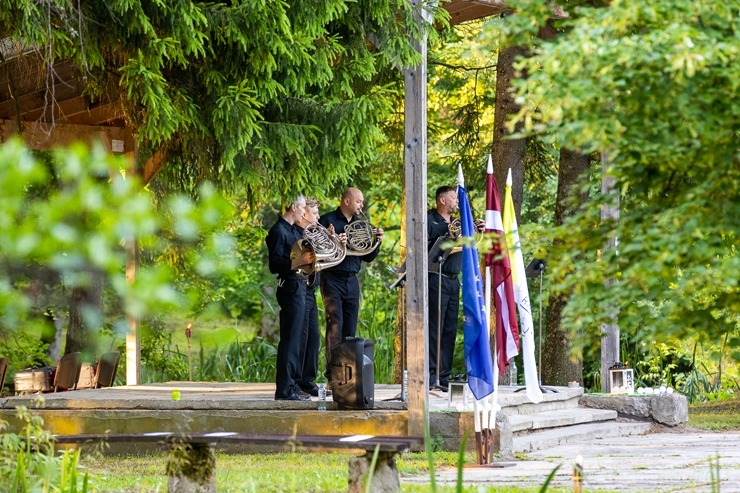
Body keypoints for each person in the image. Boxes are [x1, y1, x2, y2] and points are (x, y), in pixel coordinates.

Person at [319, 187, 384, 384]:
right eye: (358, 202)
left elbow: (368, 256)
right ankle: (333, 376)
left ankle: (348, 376)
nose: (361, 206)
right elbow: (319, 250)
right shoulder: (327, 219)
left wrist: (377, 241)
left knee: (350, 329)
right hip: (332, 278)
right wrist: (336, 241)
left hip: (351, 280)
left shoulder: (359, 224)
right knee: (335, 327)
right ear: (347, 201)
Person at [427, 185, 483, 391]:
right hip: (436, 278)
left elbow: (465, 245)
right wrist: (450, 236)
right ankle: (431, 374)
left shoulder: (460, 223)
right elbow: (429, 249)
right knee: (436, 327)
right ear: (442, 200)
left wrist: (475, 230)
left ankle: (444, 375)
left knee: (450, 328)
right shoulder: (430, 221)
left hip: (453, 279)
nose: (457, 202)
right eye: (453, 198)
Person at [265, 194, 312, 401]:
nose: (304, 212)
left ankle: (293, 386)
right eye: (303, 208)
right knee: (290, 340)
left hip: (301, 286)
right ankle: (284, 390)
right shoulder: (278, 231)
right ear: (294, 207)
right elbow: (275, 265)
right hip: (290, 288)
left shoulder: (294, 230)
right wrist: (299, 261)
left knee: (299, 340)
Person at [293, 198, 326, 397]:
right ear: (304, 214)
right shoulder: (297, 235)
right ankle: (296, 384)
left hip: (311, 290)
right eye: (314, 213)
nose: (318, 217)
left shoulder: (313, 234)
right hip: (299, 289)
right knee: (301, 338)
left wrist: (335, 241)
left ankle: (308, 381)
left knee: (313, 338)